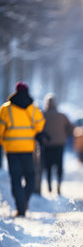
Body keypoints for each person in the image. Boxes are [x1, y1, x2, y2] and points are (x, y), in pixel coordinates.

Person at [0, 82, 45, 216]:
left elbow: (0, 129)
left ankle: (20, 208)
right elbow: (40, 125)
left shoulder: (5, 109)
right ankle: (24, 200)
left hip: (12, 149)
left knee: (15, 178)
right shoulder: (33, 108)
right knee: (30, 176)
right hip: (27, 148)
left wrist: (4, 142)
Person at [42, 93, 73, 195]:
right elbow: (71, 128)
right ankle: (59, 185)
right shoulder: (62, 116)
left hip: (47, 145)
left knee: (48, 167)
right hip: (59, 144)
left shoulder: (43, 115)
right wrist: (65, 135)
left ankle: (49, 186)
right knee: (59, 166)